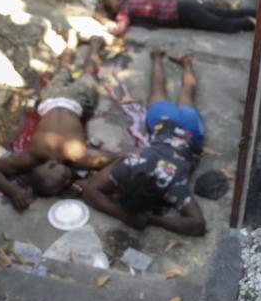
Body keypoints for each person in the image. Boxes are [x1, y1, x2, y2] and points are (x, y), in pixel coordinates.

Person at [83, 49, 206, 237]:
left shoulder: (173, 186)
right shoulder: (131, 163)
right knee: (174, 93)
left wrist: (148, 219)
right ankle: (175, 60)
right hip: (165, 125)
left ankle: (163, 58)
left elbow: (198, 226)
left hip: (186, 132)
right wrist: (134, 216)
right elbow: (196, 224)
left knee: (178, 94)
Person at [0, 35, 116, 209]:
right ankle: (74, 43)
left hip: (76, 101)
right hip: (50, 99)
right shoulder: (31, 155)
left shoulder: (76, 156)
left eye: (65, 179)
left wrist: (14, 191)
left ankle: (93, 45)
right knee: (63, 71)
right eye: (68, 182)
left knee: (89, 73)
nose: (69, 180)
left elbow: (118, 160)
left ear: (53, 165)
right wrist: (12, 190)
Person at [99, 0, 255, 37]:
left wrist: (104, 22)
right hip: (183, 5)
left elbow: (119, 30)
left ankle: (251, 23)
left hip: (183, 14)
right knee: (221, 14)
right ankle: (253, 13)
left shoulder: (125, 9)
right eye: (114, 0)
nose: (118, 0)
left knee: (219, 23)